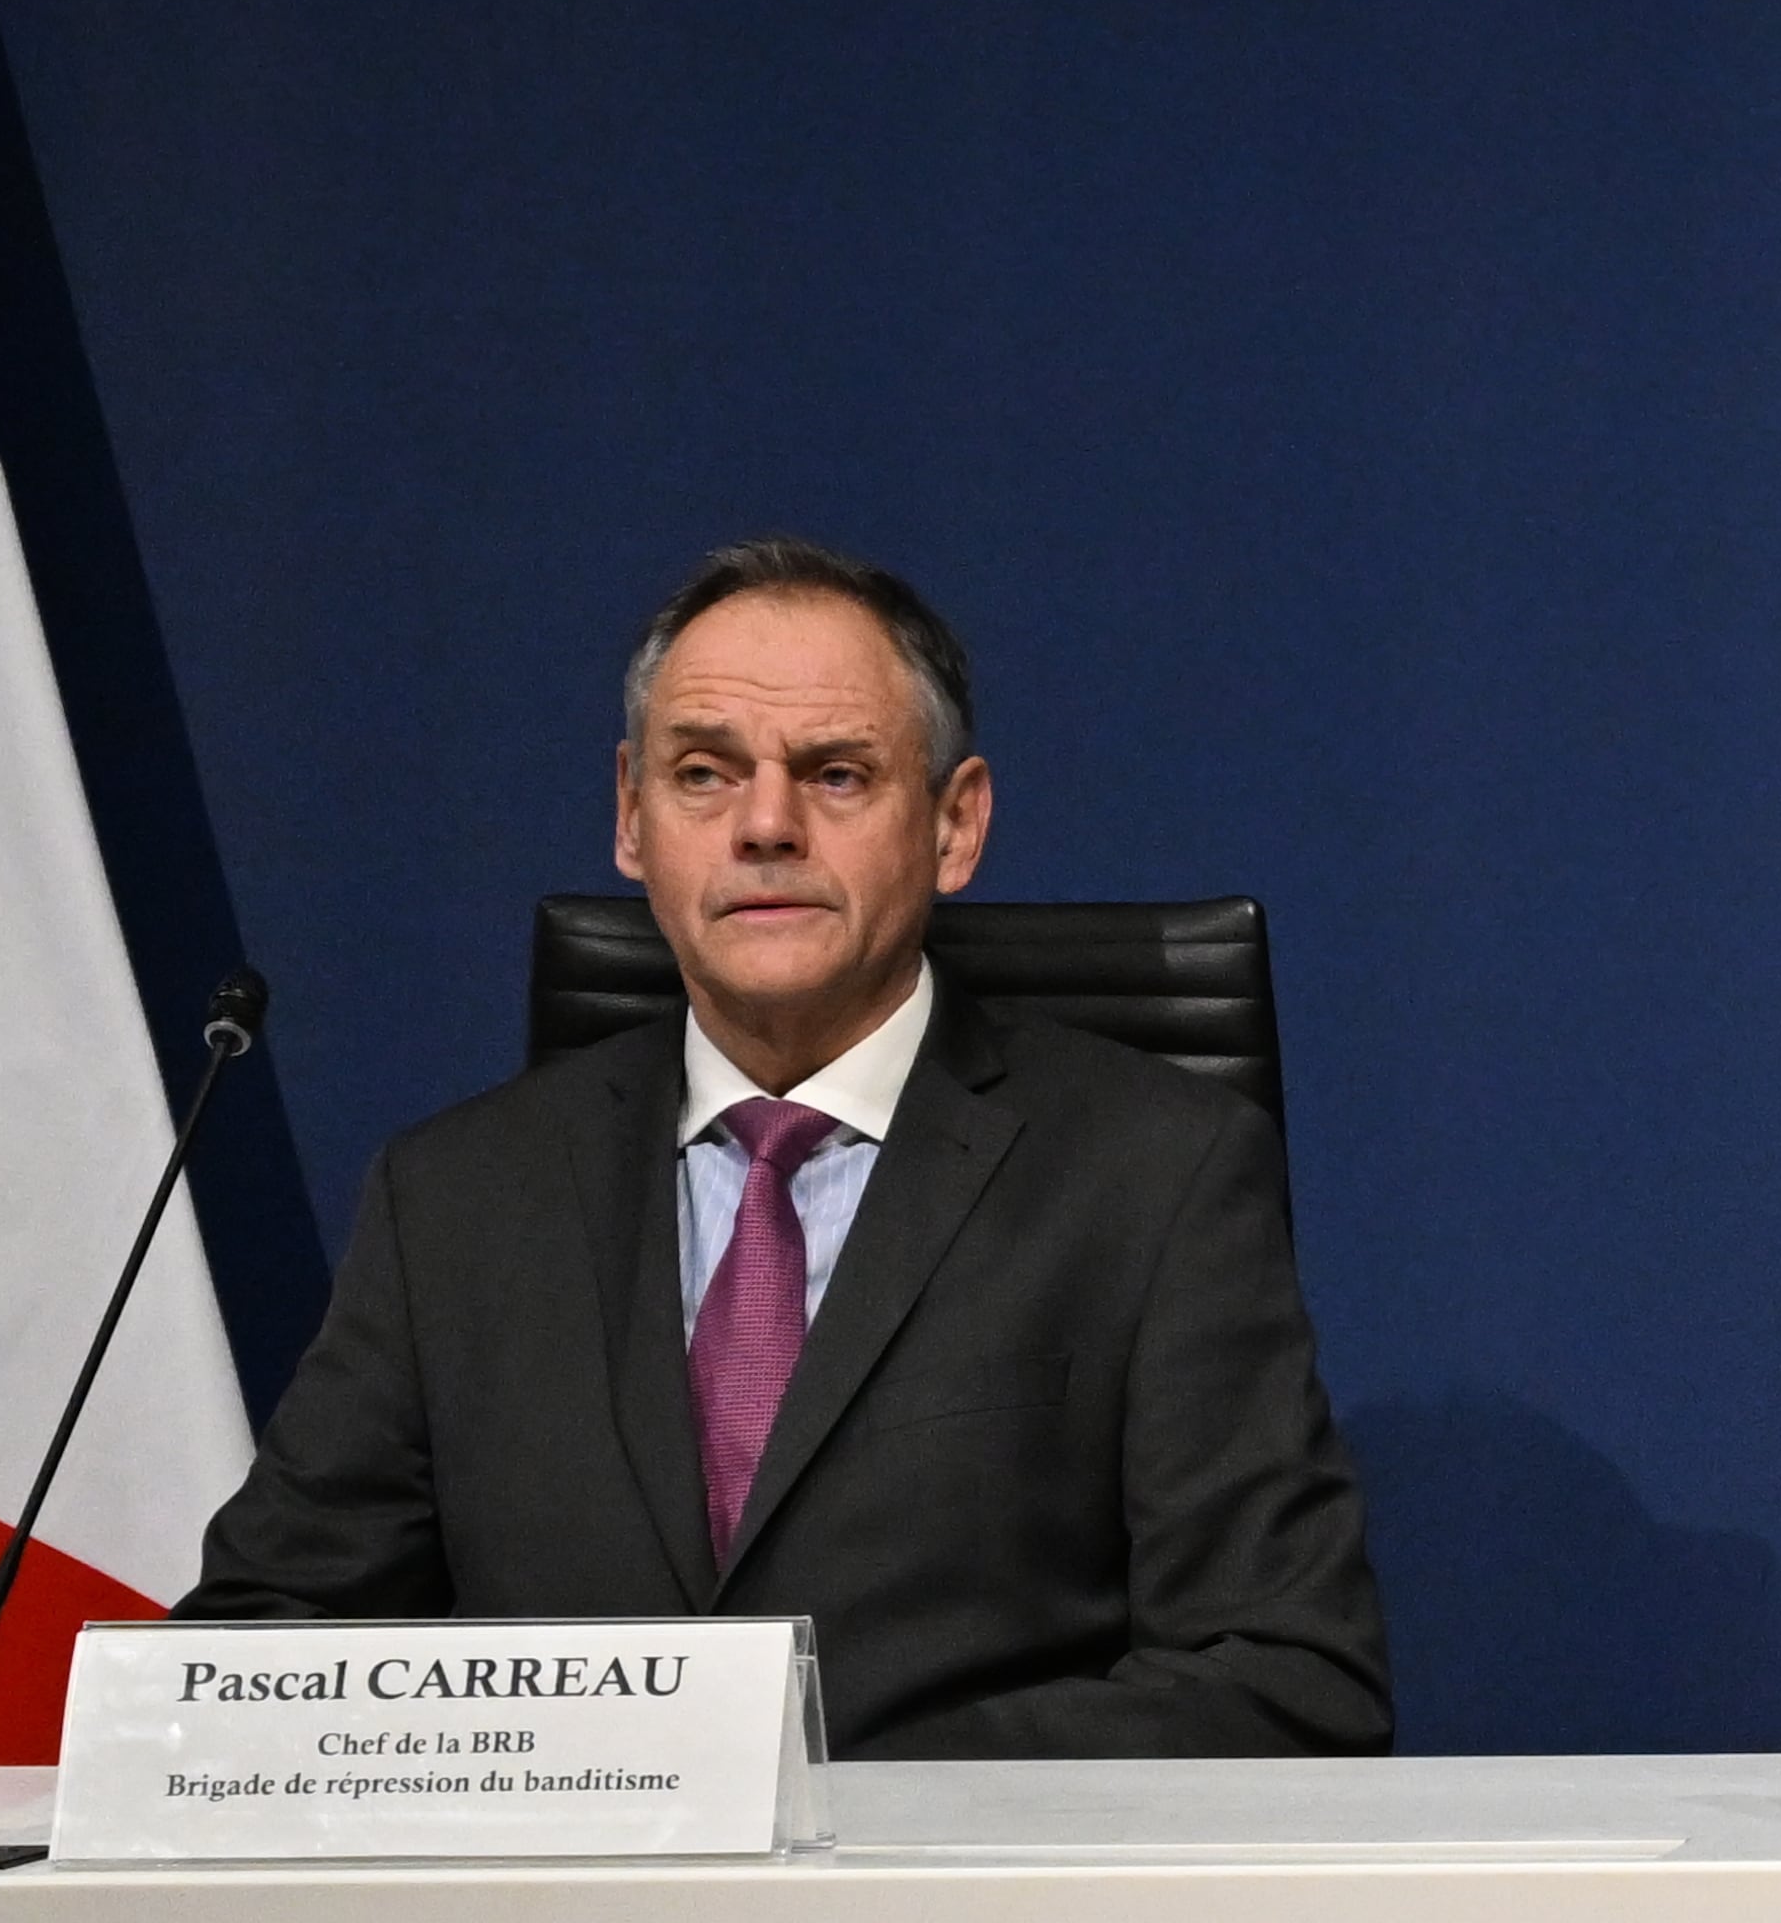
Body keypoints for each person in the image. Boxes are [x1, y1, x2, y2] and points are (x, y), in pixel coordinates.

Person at [180, 536, 1393, 1758]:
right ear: (630, 818)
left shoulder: (1154, 1177)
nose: (765, 825)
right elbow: (256, 1651)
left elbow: (1285, 1682)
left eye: (837, 775)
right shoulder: (454, 1201)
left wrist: (807, 1791)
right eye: (704, 773)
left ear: (955, 825)